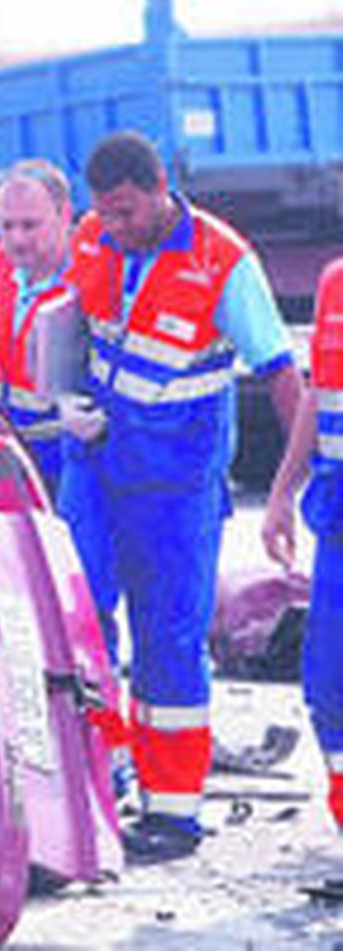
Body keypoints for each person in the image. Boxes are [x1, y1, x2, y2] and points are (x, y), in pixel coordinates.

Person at [58, 130, 302, 862]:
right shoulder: (93, 236)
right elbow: (72, 325)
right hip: (97, 465)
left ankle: (172, 812)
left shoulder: (224, 264)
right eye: (105, 212)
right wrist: (63, 397)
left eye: (127, 212)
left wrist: (289, 489)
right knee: (79, 621)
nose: (115, 226)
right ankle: (102, 784)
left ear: (161, 189)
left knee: (168, 637)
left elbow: (283, 377)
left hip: (176, 486)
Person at [261, 256, 343, 835]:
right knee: (328, 683)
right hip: (337, 519)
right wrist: (282, 492)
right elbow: (321, 391)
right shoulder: (335, 281)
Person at [0, 158, 75, 490]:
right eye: (7, 226)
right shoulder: (3, 261)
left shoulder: (90, 277)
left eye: (30, 225)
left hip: (70, 457)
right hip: (11, 451)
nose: (17, 239)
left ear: (64, 215)